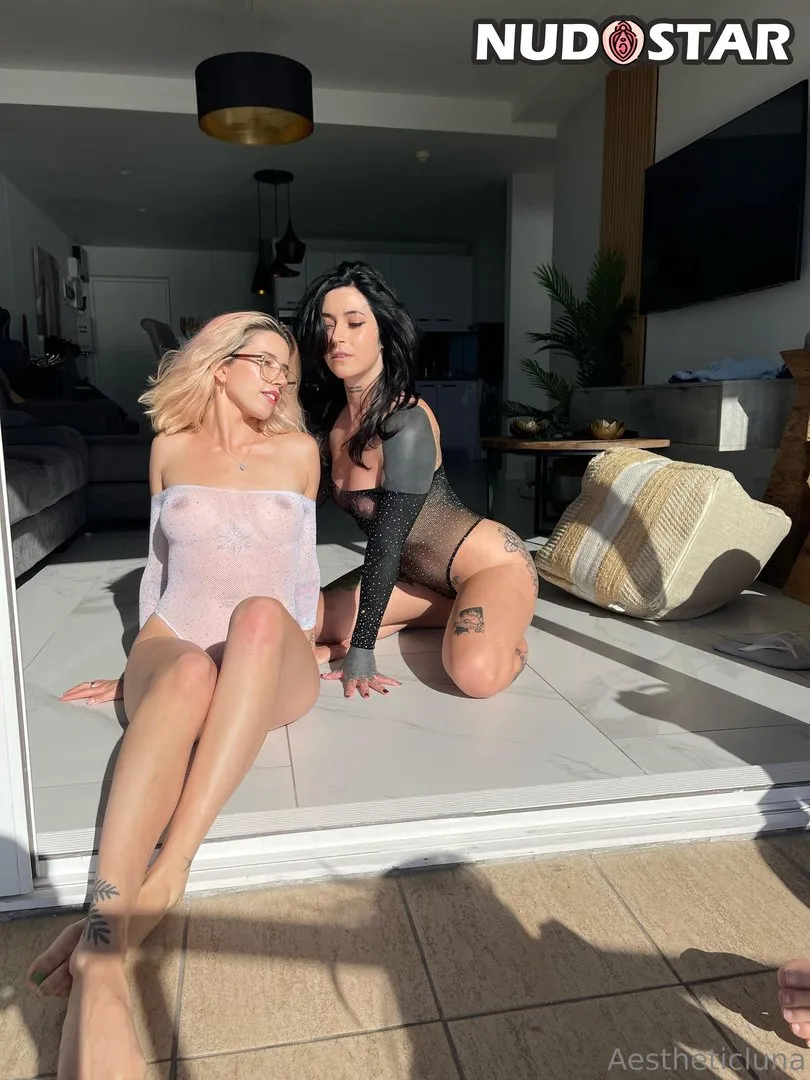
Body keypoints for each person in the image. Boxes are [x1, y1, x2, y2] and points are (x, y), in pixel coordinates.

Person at [26, 312, 322, 1080]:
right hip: (178, 634)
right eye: (263, 361)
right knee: (187, 674)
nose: (279, 378)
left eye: (286, 368)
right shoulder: (168, 448)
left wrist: (328, 650)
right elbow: (157, 578)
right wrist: (142, 669)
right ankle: (101, 946)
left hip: (272, 646)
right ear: (219, 366)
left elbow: (302, 584)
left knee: (258, 616)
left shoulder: (300, 452)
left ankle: (169, 872)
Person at [297, 260, 538, 700]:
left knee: (475, 675)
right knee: (303, 623)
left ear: (383, 334)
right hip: (412, 577)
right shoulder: (331, 422)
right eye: (327, 324)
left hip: (487, 567)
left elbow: (386, 542)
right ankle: (444, 613)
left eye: (354, 323)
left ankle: (506, 635)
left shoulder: (406, 421)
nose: (337, 337)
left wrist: (362, 648)